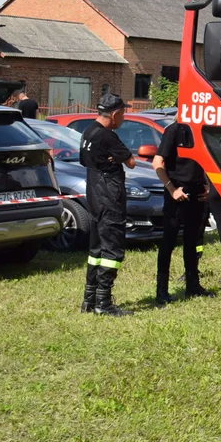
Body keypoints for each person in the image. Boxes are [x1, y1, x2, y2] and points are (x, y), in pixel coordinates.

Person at [79, 93, 136, 316]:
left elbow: (85, 160)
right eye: (122, 113)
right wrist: (116, 159)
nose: (123, 118)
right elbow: (130, 162)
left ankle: (89, 299)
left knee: (96, 249)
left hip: (93, 193)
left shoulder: (88, 131)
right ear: (114, 114)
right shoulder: (108, 136)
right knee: (112, 249)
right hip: (110, 195)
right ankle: (104, 303)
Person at [152, 122, 211, 304]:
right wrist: (172, 189)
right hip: (177, 192)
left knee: (192, 241)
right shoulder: (174, 130)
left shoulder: (200, 129)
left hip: (197, 192)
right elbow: (157, 162)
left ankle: (192, 286)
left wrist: (207, 184)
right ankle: (161, 291)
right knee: (168, 241)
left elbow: (206, 159)